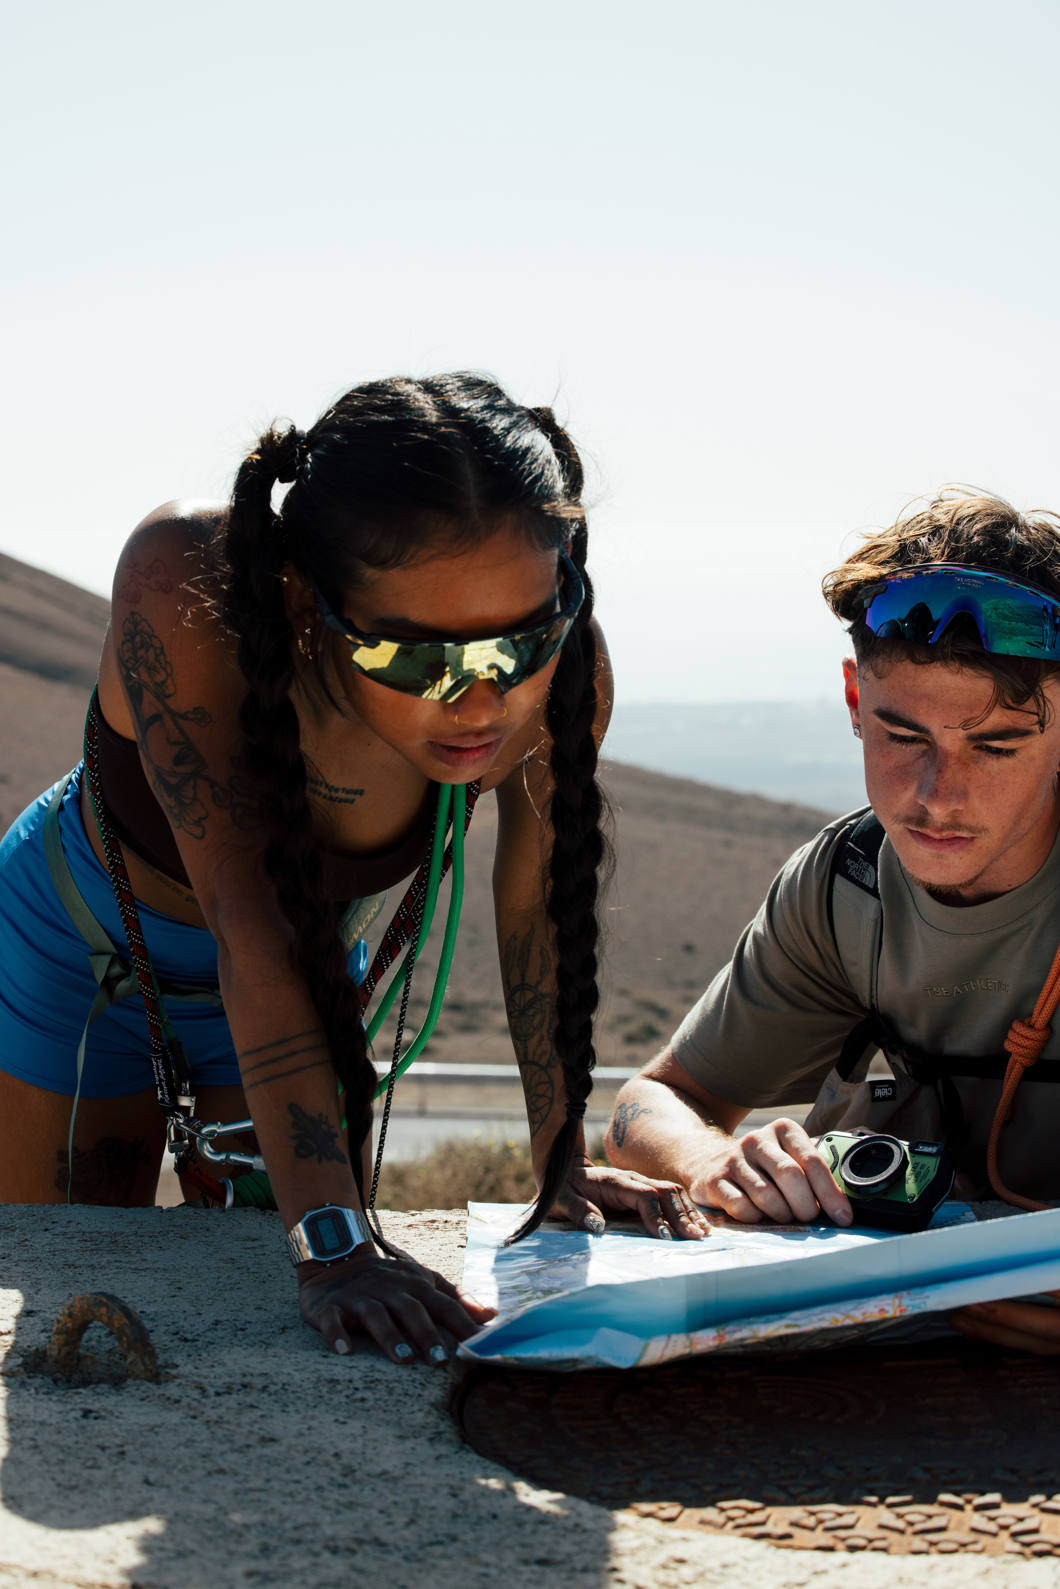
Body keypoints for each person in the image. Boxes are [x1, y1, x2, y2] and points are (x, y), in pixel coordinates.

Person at [0, 373, 708, 1364]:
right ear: (305, 600)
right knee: (80, 1289)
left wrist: (562, 1164)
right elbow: (251, 921)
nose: (480, 702)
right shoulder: (189, 585)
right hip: (79, 963)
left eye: (523, 641)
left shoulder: (562, 676)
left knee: (270, 1317)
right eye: (414, 657)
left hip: (302, 982)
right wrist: (334, 1244)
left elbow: (538, 915)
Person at [607, 488, 1060, 1356]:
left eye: (995, 746)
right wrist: (713, 1161)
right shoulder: (843, 885)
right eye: (903, 737)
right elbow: (649, 1103)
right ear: (855, 699)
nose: (936, 797)